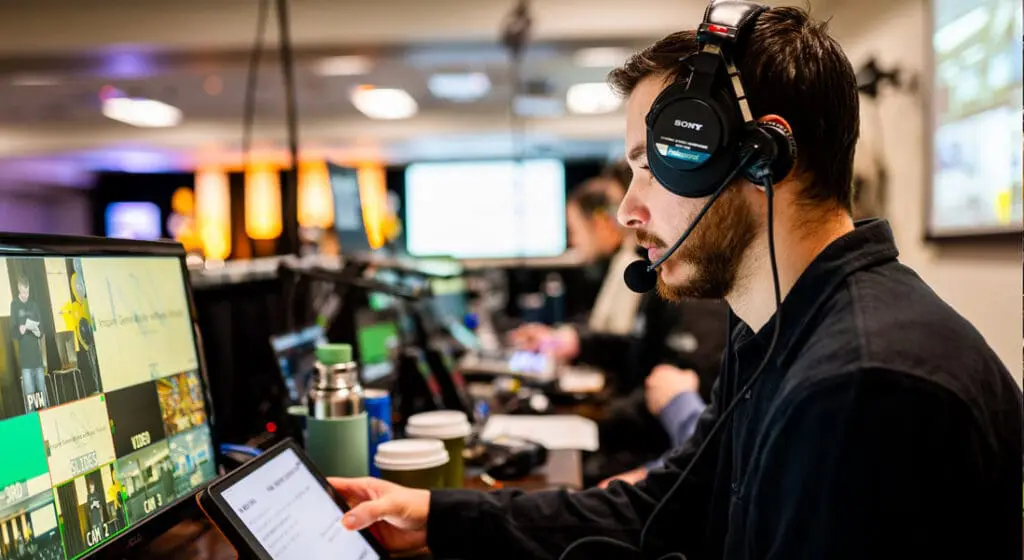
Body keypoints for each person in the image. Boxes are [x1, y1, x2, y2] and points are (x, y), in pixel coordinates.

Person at [330, 7, 1022, 560]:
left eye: (651, 165)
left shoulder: (864, 385)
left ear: (758, 156)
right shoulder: (779, 328)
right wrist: (441, 517)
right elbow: (667, 506)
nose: (629, 210)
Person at [9, 275, 47, 411]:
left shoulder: (34, 305)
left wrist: (38, 333)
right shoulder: (14, 305)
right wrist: (20, 329)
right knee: (30, 401)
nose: (26, 295)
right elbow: (12, 333)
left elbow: (41, 329)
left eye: (28, 291)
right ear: (19, 288)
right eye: (24, 292)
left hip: (37, 359)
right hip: (25, 361)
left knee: (43, 398)